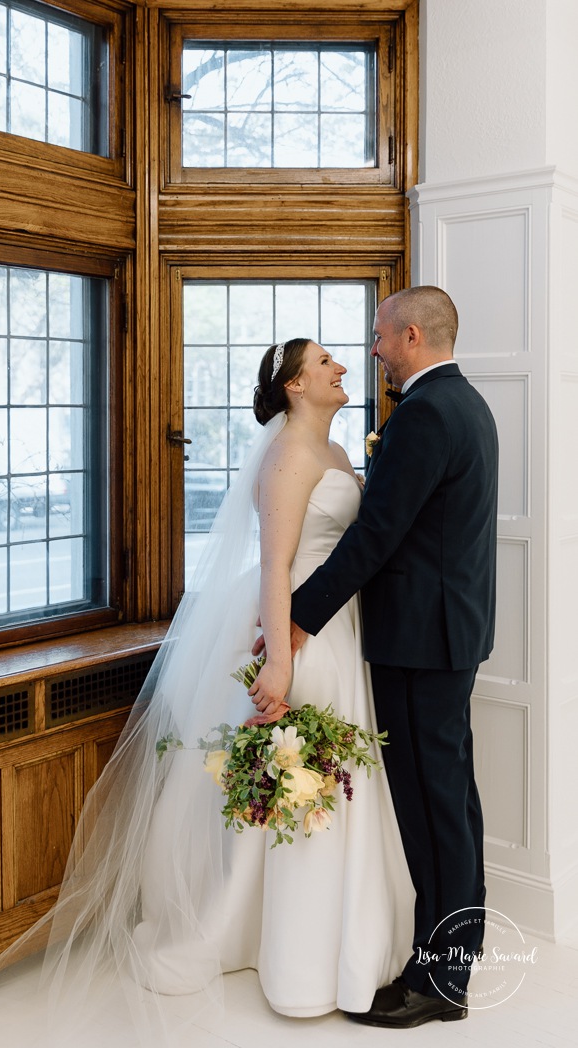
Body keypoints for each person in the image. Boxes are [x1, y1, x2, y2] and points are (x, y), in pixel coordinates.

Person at [0, 337, 412, 1048]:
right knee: (304, 781)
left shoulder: (340, 455)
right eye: (323, 364)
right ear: (293, 385)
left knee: (338, 775)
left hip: (339, 627)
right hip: (297, 631)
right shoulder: (286, 458)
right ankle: (294, 954)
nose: (340, 369)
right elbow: (274, 570)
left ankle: (339, 936)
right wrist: (280, 659)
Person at [250, 286, 499, 1028]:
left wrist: (295, 624)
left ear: (411, 335)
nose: (372, 352)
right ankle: (448, 952)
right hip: (444, 635)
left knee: (433, 809)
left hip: (421, 643)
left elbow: (374, 537)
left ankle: (441, 979)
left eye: (379, 337)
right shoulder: (464, 404)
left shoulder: (424, 414)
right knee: (449, 802)